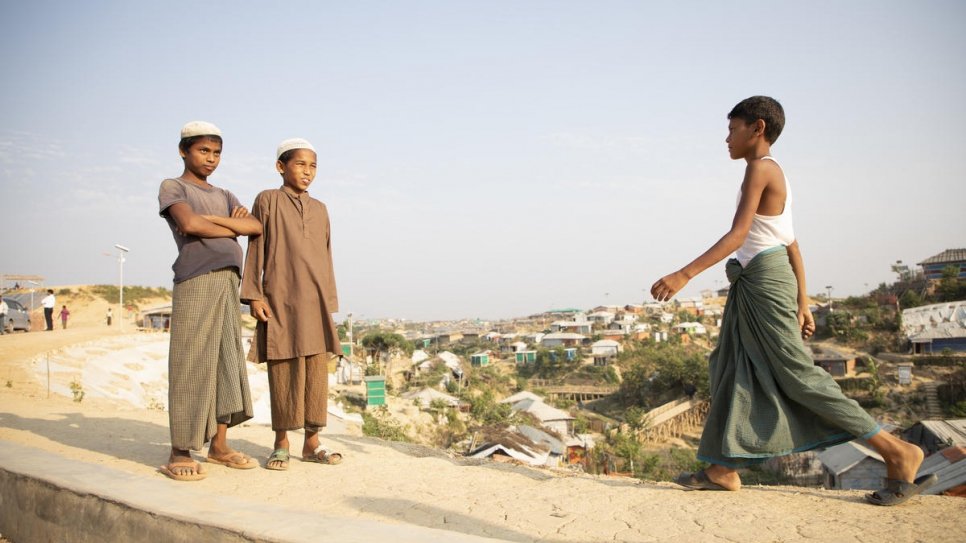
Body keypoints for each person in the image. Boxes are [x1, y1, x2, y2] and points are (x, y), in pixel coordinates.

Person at [650, 96, 935, 506]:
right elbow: (792, 244)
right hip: (760, 282)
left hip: (764, 282)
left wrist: (685, 273)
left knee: (798, 374)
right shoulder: (768, 172)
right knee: (731, 367)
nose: (726, 138)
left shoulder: (761, 170)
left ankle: (897, 451)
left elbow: (737, 235)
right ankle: (722, 469)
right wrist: (803, 300)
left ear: (758, 128)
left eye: (732, 128)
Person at [157, 120, 263, 481]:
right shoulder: (174, 186)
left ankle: (219, 446)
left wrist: (217, 221)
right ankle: (180, 450)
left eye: (217, 153)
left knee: (224, 361)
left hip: (228, 281)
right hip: (196, 279)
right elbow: (189, 225)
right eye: (204, 151)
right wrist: (229, 226)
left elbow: (255, 227)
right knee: (191, 362)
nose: (211, 159)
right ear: (183, 150)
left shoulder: (225, 194)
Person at [241, 138, 343, 471]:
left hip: (315, 302)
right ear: (280, 166)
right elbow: (256, 248)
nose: (307, 172)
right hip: (280, 298)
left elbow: (326, 257)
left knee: (316, 372)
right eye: (300, 164)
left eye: (313, 166)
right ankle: (281, 442)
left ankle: (312, 443)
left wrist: (328, 301)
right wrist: (254, 294)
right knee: (283, 371)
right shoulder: (268, 200)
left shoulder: (321, 209)